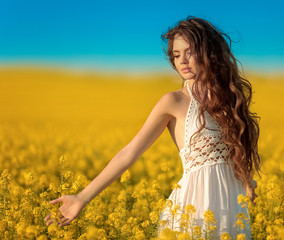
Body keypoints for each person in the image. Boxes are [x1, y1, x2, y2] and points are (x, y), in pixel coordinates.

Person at [44, 16, 262, 239]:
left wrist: (247, 181)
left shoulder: (229, 99)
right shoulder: (173, 101)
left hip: (231, 206)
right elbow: (129, 153)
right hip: (194, 207)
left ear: (209, 52)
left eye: (190, 51)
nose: (182, 61)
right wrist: (82, 197)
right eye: (176, 55)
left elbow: (235, 150)